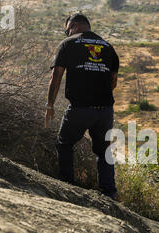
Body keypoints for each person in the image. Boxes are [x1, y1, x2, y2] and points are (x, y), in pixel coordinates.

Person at [45, 13, 119, 199]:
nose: (67, 33)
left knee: (64, 143)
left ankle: (68, 185)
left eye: (67, 29)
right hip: (105, 110)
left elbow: (56, 77)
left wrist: (50, 105)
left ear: (75, 25)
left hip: (79, 108)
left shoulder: (68, 44)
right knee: (104, 151)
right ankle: (109, 193)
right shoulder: (108, 47)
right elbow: (113, 81)